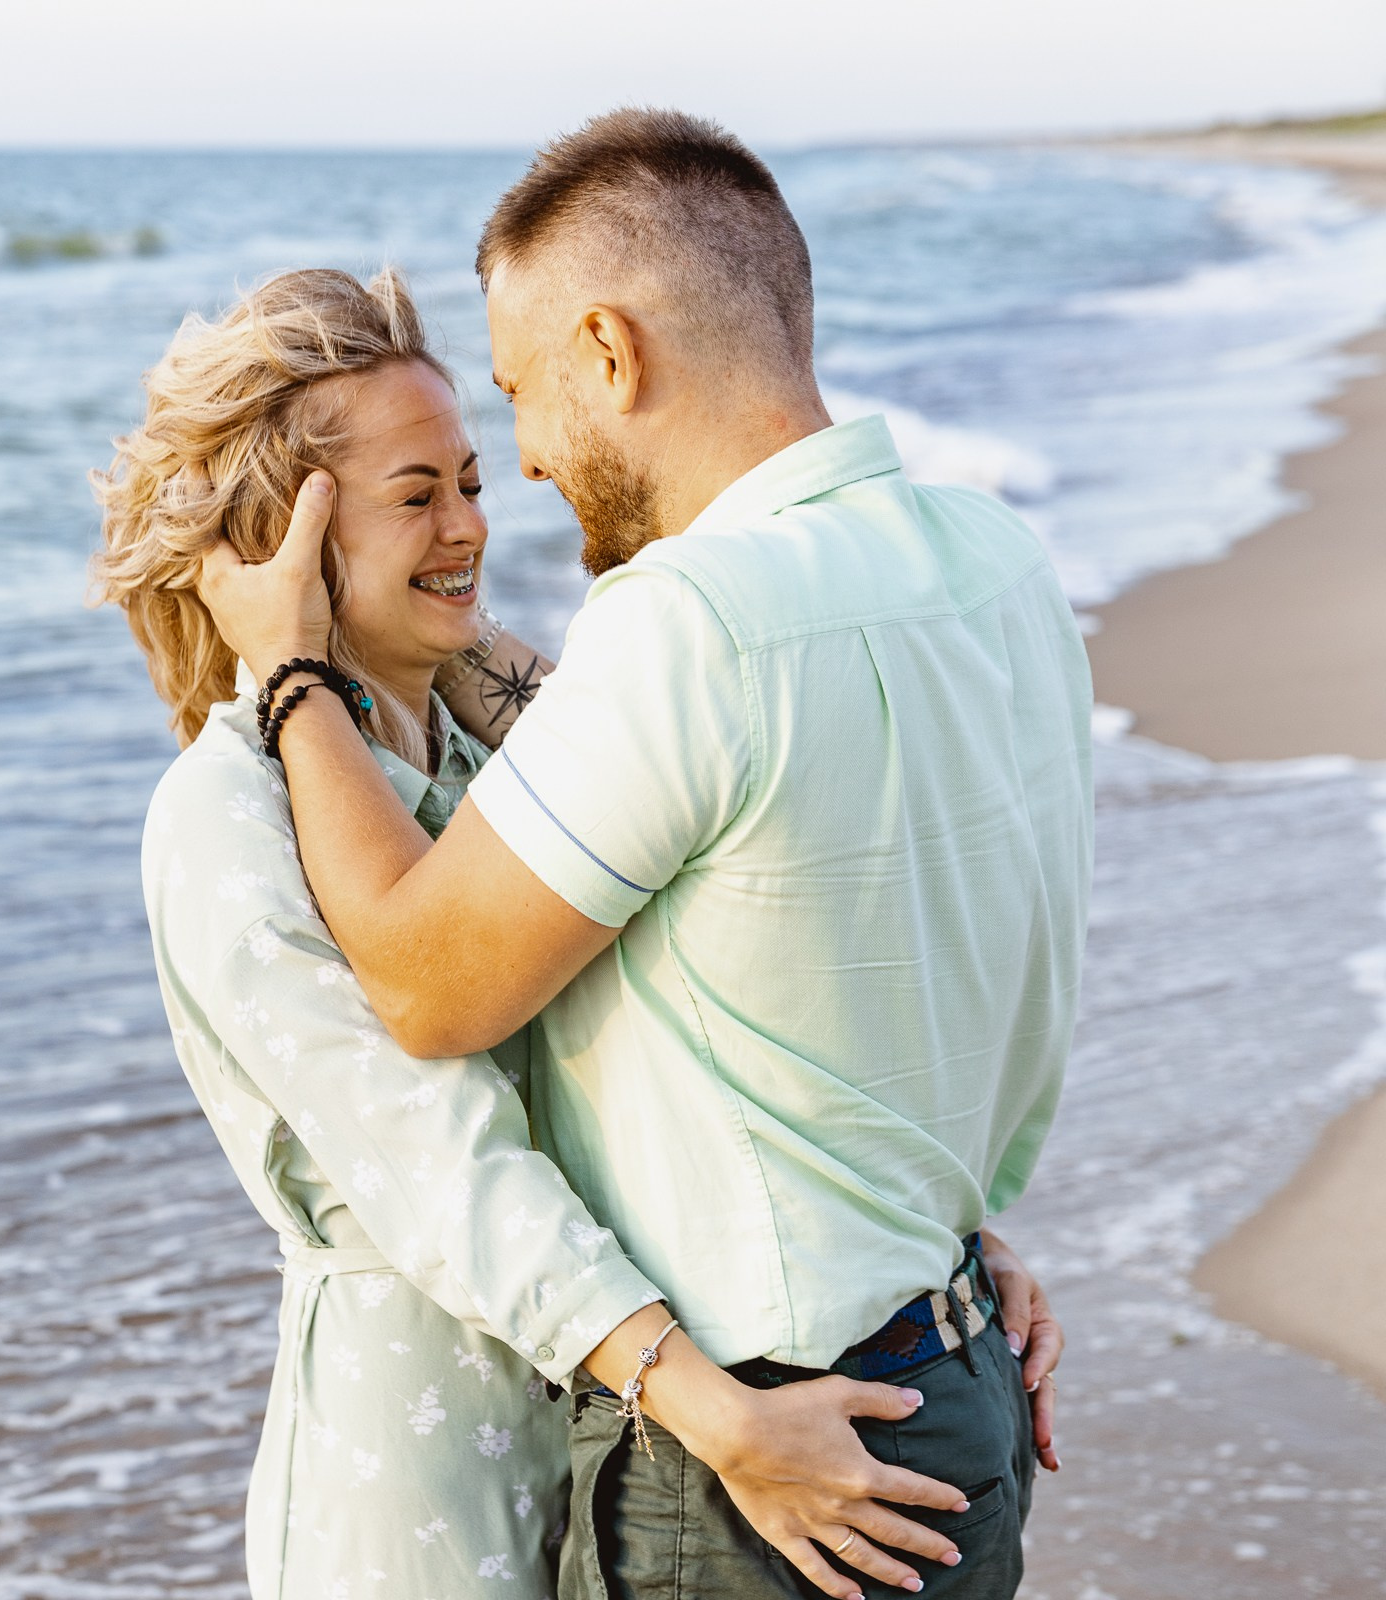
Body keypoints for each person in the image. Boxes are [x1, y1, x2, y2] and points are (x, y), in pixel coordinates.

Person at [195, 111, 1088, 1600]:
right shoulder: (993, 564)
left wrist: (292, 675)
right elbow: (853, 892)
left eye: (522, 398)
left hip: (770, 1445)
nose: (530, 465)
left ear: (611, 351)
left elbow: (424, 991)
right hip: (958, 1369)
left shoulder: (690, 625)